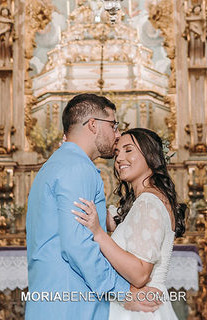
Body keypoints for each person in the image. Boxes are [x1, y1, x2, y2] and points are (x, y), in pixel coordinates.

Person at [25, 94, 160, 319]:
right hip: (73, 304)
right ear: (93, 124)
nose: (117, 134)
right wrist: (124, 292)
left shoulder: (53, 165)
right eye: (113, 125)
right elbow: (77, 245)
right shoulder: (78, 168)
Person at [71, 127, 187, 320]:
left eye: (128, 150)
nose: (119, 159)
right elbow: (124, 230)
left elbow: (140, 274)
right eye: (117, 153)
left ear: (150, 155)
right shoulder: (146, 201)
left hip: (141, 309)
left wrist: (98, 233)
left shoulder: (149, 202)